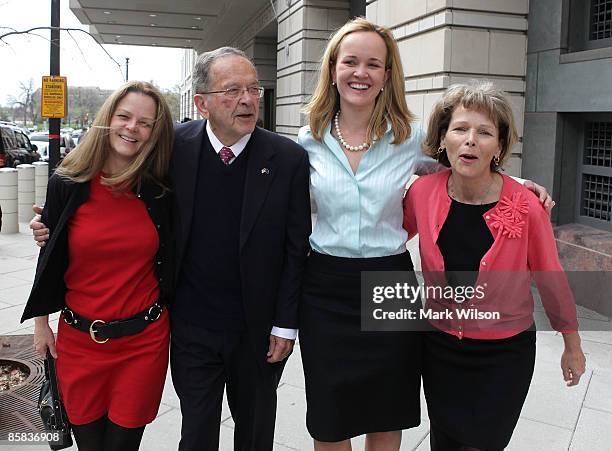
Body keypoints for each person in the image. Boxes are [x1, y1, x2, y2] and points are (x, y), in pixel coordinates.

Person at [30, 48, 311, 451]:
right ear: (202, 103)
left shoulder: (288, 158)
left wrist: (286, 324)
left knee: (255, 432)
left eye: (253, 89)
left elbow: (295, 247)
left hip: (258, 330)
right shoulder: (171, 149)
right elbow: (112, 184)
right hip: (190, 326)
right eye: (232, 91)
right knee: (196, 434)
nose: (248, 100)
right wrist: (51, 226)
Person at [297, 17, 554, 451]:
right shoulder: (306, 141)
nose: (361, 72)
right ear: (333, 69)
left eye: (373, 64)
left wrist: (519, 188)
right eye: (351, 62)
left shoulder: (410, 138)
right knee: (329, 417)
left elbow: (468, 164)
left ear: (386, 75)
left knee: (386, 409)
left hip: (389, 281)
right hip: (325, 286)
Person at [402, 82, 586, 451]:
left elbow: (551, 277)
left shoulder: (527, 205)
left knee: (484, 443)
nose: (470, 140)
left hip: (506, 353)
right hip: (439, 347)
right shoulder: (421, 194)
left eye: (484, 132)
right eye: (460, 129)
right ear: (443, 139)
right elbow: (385, 241)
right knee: (444, 440)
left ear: (499, 147)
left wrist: (572, 344)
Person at [21, 80, 175, 451]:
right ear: (107, 119)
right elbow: (50, 256)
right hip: (79, 342)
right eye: (124, 116)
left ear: (154, 133)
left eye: (144, 122)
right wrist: (41, 326)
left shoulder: (160, 188)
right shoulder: (67, 183)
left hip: (143, 343)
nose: (131, 128)